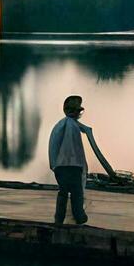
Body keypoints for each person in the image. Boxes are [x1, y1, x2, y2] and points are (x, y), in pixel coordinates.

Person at [47, 94, 114, 225]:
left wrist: (54, 164)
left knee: (64, 192)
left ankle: (59, 218)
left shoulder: (62, 125)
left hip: (62, 166)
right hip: (72, 166)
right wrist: (55, 164)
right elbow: (73, 150)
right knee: (76, 192)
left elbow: (53, 146)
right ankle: (78, 215)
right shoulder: (70, 126)